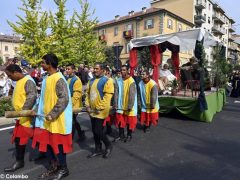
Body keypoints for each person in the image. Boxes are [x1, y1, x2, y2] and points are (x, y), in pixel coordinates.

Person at [32, 53, 72, 179]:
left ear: (49, 64)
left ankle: (64, 169)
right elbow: (43, 99)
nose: (41, 65)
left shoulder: (59, 78)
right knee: (47, 144)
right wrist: (35, 109)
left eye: (43, 62)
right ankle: (54, 167)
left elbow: (64, 99)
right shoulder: (46, 78)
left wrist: (53, 114)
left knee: (58, 145)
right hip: (45, 119)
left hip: (57, 119)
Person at [4, 64, 37, 172]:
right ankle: (47, 152)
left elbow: (31, 97)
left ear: (15, 73)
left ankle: (19, 162)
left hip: (26, 116)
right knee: (34, 137)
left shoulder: (28, 81)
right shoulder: (19, 81)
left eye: (9, 75)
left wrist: (24, 112)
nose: (9, 78)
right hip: (21, 116)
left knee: (20, 139)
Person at [85, 63, 114, 159]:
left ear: (102, 70)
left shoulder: (107, 81)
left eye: (97, 68)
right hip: (92, 110)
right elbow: (87, 94)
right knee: (94, 131)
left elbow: (107, 97)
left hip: (100, 111)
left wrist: (99, 107)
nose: (94, 70)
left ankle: (108, 145)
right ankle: (98, 149)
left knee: (98, 130)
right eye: (94, 68)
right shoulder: (91, 81)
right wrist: (87, 106)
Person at [114, 65, 137, 142]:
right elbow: (116, 93)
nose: (122, 71)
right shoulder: (118, 80)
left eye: (124, 70)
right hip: (120, 105)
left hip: (128, 105)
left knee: (129, 122)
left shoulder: (131, 81)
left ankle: (129, 135)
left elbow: (132, 95)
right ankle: (121, 135)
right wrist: (115, 103)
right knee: (120, 121)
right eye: (121, 70)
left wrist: (130, 106)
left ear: (127, 71)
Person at [65, 64, 85, 141]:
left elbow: (76, 95)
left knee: (72, 122)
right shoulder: (67, 79)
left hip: (74, 105)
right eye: (66, 69)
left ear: (73, 70)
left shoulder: (76, 80)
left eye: (68, 69)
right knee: (73, 121)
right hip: (68, 104)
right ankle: (81, 133)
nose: (67, 70)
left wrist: (70, 104)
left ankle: (70, 140)